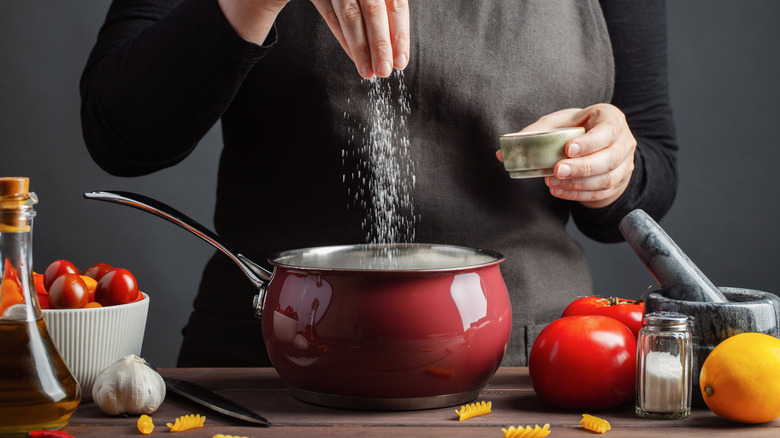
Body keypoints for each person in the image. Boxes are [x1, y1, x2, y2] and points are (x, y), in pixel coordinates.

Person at [80, 0, 677, 367]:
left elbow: (652, 165)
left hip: (526, 369)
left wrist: (611, 166)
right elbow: (120, 136)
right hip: (270, 365)